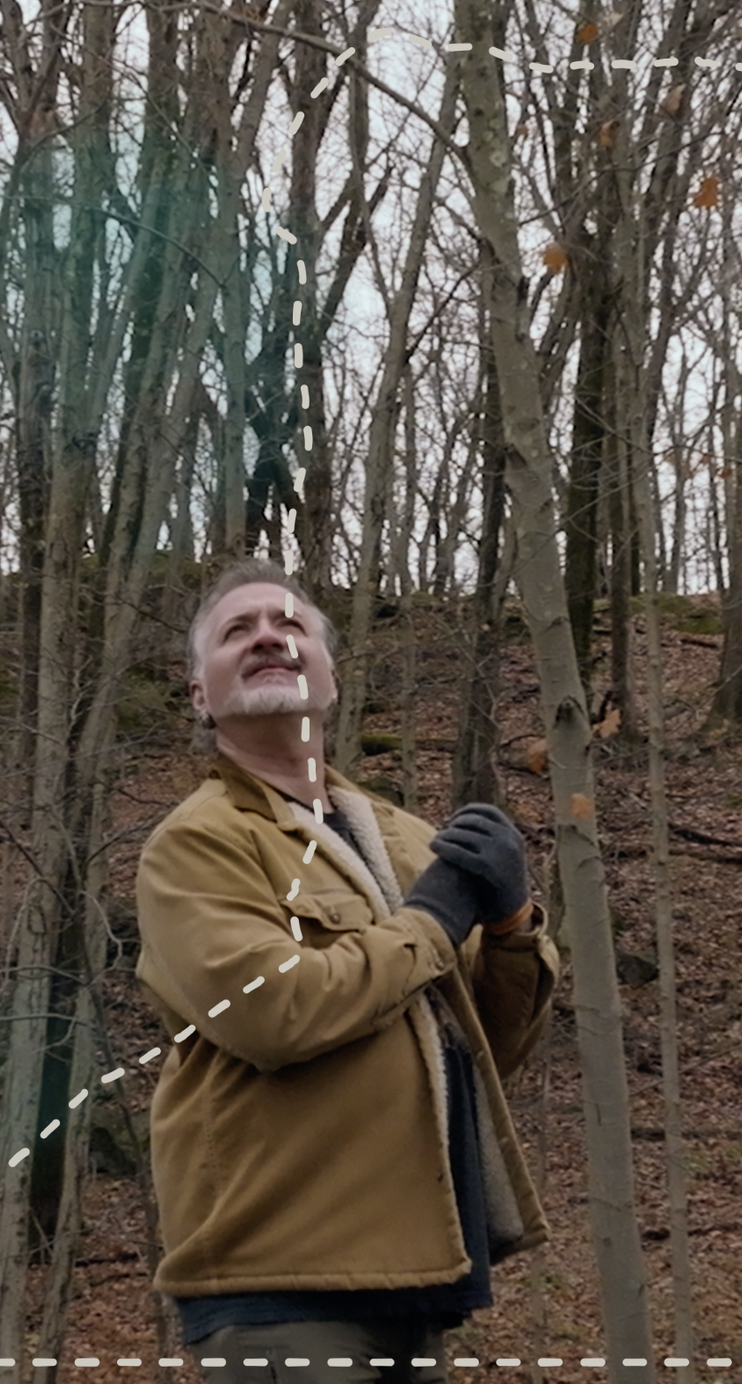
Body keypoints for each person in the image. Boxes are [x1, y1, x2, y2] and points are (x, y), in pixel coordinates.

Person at [133, 556, 561, 1384]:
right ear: (199, 694)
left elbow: (484, 1055)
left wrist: (513, 926)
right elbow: (272, 1012)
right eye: (237, 631)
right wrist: (433, 919)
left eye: (290, 625)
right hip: (280, 1280)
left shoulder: (404, 836)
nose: (268, 637)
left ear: (327, 675)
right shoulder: (198, 841)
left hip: (417, 1274)